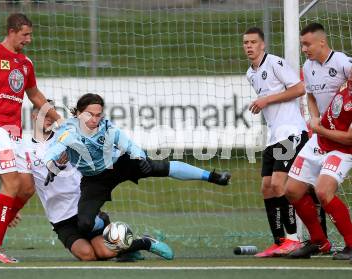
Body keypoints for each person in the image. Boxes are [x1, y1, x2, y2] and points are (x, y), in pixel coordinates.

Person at [0, 100, 173, 261]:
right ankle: (126, 248)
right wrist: (14, 210)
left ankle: (144, 242)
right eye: (43, 115)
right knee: (88, 255)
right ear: (33, 116)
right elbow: (24, 186)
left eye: (51, 115)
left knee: (104, 252)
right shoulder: (23, 148)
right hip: (60, 219)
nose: (47, 120)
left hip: (83, 208)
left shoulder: (68, 138)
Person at [42, 93, 231, 258]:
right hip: (94, 179)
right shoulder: (68, 131)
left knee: (159, 167)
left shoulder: (107, 128)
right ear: (79, 113)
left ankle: (213, 176)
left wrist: (140, 158)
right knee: (84, 224)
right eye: (90, 114)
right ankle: (108, 225)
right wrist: (51, 166)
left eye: (98, 115)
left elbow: (129, 145)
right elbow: (54, 150)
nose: (95, 119)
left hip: (119, 165)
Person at [0, 13, 62, 263]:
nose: (29, 39)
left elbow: (35, 96)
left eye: (30, 34)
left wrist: (60, 120)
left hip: (13, 133)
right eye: (25, 35)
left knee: (26, 187)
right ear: (11, 32)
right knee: (11, 184)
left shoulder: (25, 64)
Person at [285, 23, 352, 259]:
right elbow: (311, 95)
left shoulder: (343, 63)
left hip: (342, 145)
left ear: (322, 43)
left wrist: (322, 127)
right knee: (292, 190)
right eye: (302, 44)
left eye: (307, 44)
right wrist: (314, 118)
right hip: (319, 136)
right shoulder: (309, 66)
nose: (304, 49)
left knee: (324, 192)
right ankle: (319, 242)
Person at [243, 27, 308, 257]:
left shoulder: (275, 63)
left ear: (262, 45)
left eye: (253, 42)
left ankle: (294, 239)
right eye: (245, 43)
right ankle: (279, 241)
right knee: (267, 187)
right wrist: (265, 102)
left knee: (280, 184)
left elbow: (300, 88)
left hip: (291, 133)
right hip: (274, 137)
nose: (249, 46)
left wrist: (266, 100)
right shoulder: (250, 73)